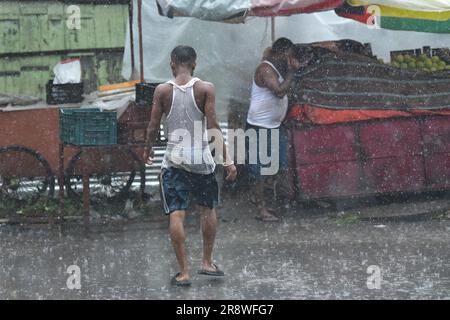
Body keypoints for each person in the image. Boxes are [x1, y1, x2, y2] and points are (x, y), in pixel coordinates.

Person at [144, 45, 237, 286]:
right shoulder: (206, 89)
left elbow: (153, 126)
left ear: (172, 64)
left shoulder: (162, 91)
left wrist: (147, 149)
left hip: (174, 159)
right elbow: (214, 126)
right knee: (207, 209)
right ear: (194, 64)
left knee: (177, 213)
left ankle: (184, 272)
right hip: (202, 160)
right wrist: (227, 160)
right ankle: (207, 262)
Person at [246, 37, 298, 222]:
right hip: (259, 127)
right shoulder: (266, 69)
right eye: (289, 55)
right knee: (258, 171)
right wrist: (292, 72)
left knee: (278, 166)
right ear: (282, 54)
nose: (290, 59)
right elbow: (279, 91)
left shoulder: (276, 67)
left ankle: (270, 203)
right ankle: (261, 209)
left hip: (274, 126)